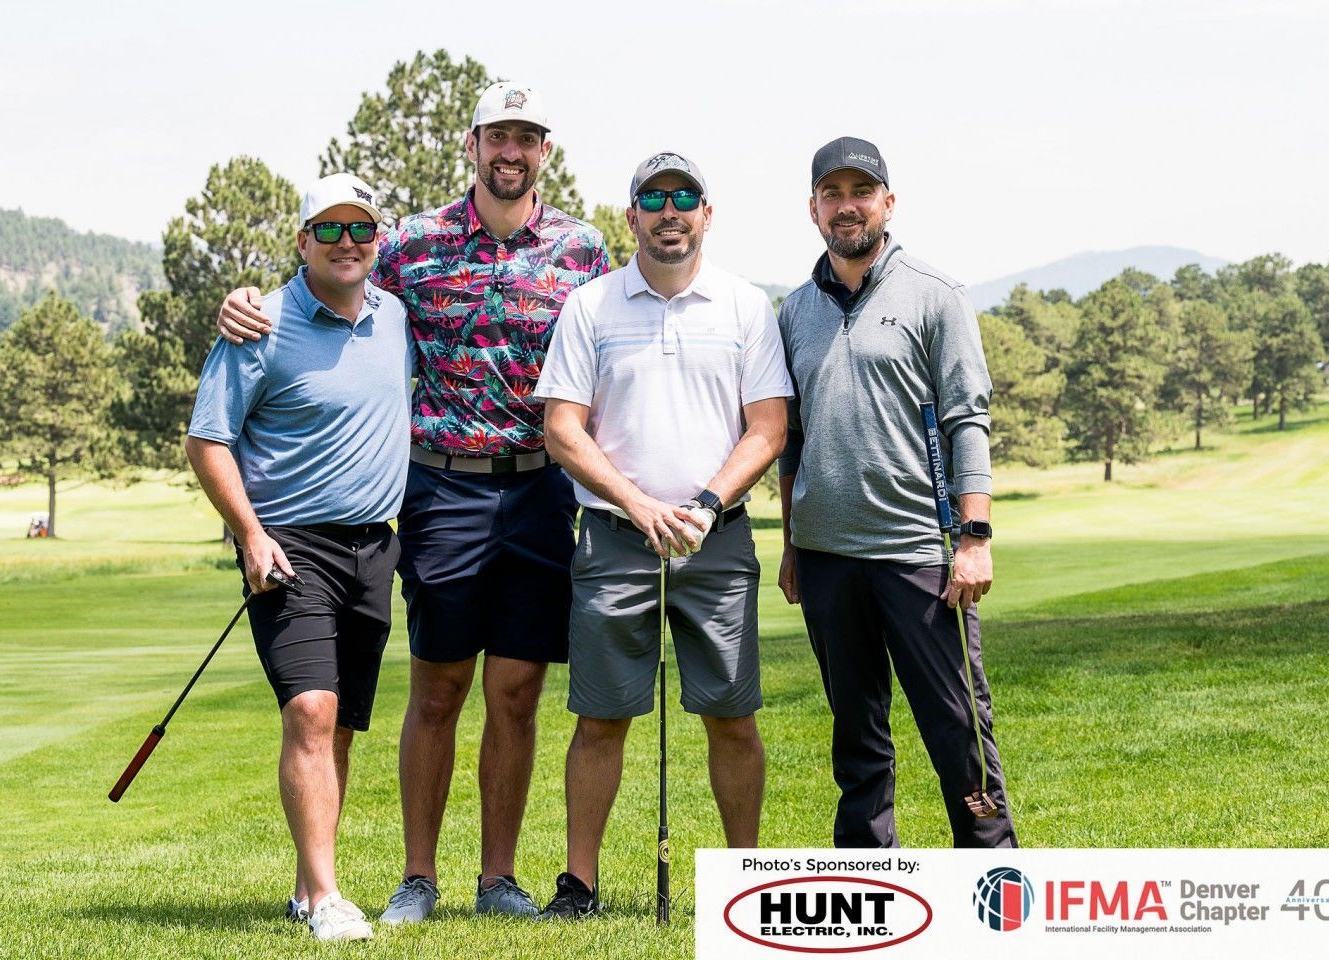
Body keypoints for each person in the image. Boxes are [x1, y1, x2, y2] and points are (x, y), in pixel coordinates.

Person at [215, 81, 609, 921]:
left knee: (516, 691)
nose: (510, 152)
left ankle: (497, 878)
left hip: (541, 487)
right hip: (441, 489)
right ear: (471, 146)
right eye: (495, 136)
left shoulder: (582, 249)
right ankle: (417, 879)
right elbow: (326, 282)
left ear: (544, 151)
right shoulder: (409, 243)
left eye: (526, 138)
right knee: (437, 690)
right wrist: (244, 299)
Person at [532, 152, 792, 918]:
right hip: (616, 537)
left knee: (731, 714)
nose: (668, 210)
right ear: (631, 215)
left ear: (706, 214)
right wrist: (640, 505)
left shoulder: (744, 306)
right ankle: (579, 884)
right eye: (653, 198)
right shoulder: (591, 306)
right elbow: (561, 428)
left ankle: (746, 881)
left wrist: (706, 503)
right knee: (601, 715)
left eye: (685, 197)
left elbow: (768, 426)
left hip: (717, 537)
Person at [187, 172, 413, 941]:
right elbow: (206, 439)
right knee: (309, 711)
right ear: (302, 240)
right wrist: (250, 534)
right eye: (329, 229)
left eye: (360, 229)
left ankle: (303, 886)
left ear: (376, 240)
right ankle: (325, 898)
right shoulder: (261, 323)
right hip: (288, 547)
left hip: (373, 546)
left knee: (341, 723)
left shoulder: (396, 317)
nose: (346, 243)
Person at [776, 137, 1017, 849]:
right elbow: (789, 439)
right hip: (824, 556)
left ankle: (991, 876)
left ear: (887, 201)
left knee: (957, 730)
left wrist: (974, 540)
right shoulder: (792, 312)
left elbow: (966, 420)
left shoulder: (935, 295)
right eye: (832, 193)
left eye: (860, 190)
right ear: (813, 208)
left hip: (919, 553)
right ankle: (867, 884)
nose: (845, 205)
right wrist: (791, 546)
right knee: (856, 740)